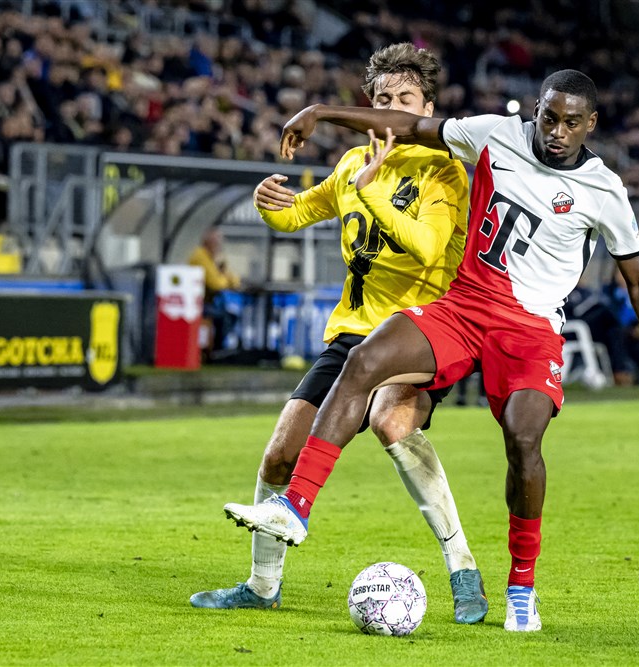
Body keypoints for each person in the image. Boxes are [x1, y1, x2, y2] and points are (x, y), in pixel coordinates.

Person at [222, 69, 639, 633]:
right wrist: (322, 113)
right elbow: (407, 125)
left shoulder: (604, 190)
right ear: (537, 110)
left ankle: (521, 585)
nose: (556, 131)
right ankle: (295, 508)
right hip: (466, 306)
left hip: (530, 329)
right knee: (364, 361)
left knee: (523, 440)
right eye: (549, 117)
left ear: (590, 124)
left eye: (572, 122)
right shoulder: (498, 133)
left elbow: (638, 281)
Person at [191, 43, 489, 625]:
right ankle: (261, 585)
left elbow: (427, 246)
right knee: (279, 455)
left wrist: (377, 191)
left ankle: (463, 569)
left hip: (420, 332)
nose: (391, 110)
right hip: (351, 335)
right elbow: (298, 213)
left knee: (391, 421)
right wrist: (268, 205)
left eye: (405, 100)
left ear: (427, 107)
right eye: (381, 100)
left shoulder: (445, 171)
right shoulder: (352, 164)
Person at [188, 227, 242, 357]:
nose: (219, 247)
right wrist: (226, 278)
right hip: (193, 303)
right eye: (217, 242)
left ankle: (216, 348)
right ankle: (215, 350)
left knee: (229, 315)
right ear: (209, 242)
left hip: (206, 302)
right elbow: (216, 284)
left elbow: (233, 280)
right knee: (224, 317)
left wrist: (223, 272)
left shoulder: (211, 258)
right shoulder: (200, 256)